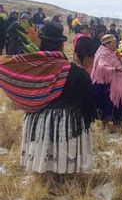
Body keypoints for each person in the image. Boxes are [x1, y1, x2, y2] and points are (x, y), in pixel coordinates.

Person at [0, 22, 96, 190]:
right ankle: (62, 177)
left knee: (46, 148)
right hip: (66, 122)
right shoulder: (75, 72)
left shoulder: (30, 67)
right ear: (61, 45)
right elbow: (87, 96)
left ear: (43, 43)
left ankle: (45, 178)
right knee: (61, 150)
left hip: (38, 119)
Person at [91, 34, 122, 125]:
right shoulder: (102, 54)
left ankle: (121, 120)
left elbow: (121, 60)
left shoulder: (113, 52)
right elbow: (101, 67)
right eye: (114, 43)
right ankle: (108, 121)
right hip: (106, 83)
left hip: (118, 79)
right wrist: (114, 69)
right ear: (107, 44)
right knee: (108, 102)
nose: (116, 45)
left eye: (116, 43)